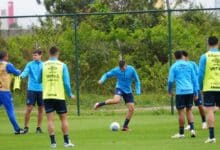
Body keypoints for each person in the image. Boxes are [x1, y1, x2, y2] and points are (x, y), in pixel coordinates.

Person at [39, 46, 75, 148]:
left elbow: (38, 80)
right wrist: (70, 94)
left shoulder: (43, 65)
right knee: (63, 119)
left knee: (50, 120)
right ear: (58, 53)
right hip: (59, 96)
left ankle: (53, 143)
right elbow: (67, 83)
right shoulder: (62, 65)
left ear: (48, 53)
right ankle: (66, 142)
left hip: (47, 95)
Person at [94, 60, 141, 131]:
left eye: (124, 67)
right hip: (120, 88)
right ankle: (100, 104)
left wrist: (138, 90)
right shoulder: (116, 70)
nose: (123, 69)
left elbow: (137, 80)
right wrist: (102, 80)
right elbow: (106, 75)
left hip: (128, 91)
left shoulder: (131, 69)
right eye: (121, 68)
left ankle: (125, 127)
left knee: (131, 109)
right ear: (119, 67)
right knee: (116, 101)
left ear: (126, 65)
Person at [168, 50, 198, 139]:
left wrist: (169, 90)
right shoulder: (189, 65)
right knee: (189, 110)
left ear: (175, 57)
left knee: (181, 111)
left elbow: (170, 81)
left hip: (180, 91)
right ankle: (192, 130)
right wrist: (196, 92)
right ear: (182, 56)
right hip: (190, 90)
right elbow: (194, 79)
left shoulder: (174, 66)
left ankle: (181, 133)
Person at [198, 36, 220, 143]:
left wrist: (200, 87)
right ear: (218, 43)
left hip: (209, 87)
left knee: (210, 111)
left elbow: (200, 74)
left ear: (208, 43)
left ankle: (212, 137)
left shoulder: (204, 56)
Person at [0, 50, 25, 134]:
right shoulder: (8, 65)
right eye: (7, 56)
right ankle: (17, 129)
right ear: (5, 57)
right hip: (4, 91)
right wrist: (19, 70)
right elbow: (17, 73)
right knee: (10, 110)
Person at [181, 51, 207, 130]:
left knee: (200, 105)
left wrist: (197, 87)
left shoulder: (192, 64)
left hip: (195, 88)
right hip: (187, 89)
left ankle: (204, 122)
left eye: (183, 57)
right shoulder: (180, 66)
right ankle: (189, 124)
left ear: (186, 57)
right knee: (188, 107)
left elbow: (198, 75)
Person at [20, 50, 44, 134]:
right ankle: (26, 127)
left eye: (36, 55)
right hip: (31, 89)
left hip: (42, 90)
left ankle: (38, 128)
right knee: (29, 109)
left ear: (41, 55)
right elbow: (25, 72)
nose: (34, 57)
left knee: (41, 109)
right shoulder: (29, 64)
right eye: (33, 55)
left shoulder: (44, 65)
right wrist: (21, 76)